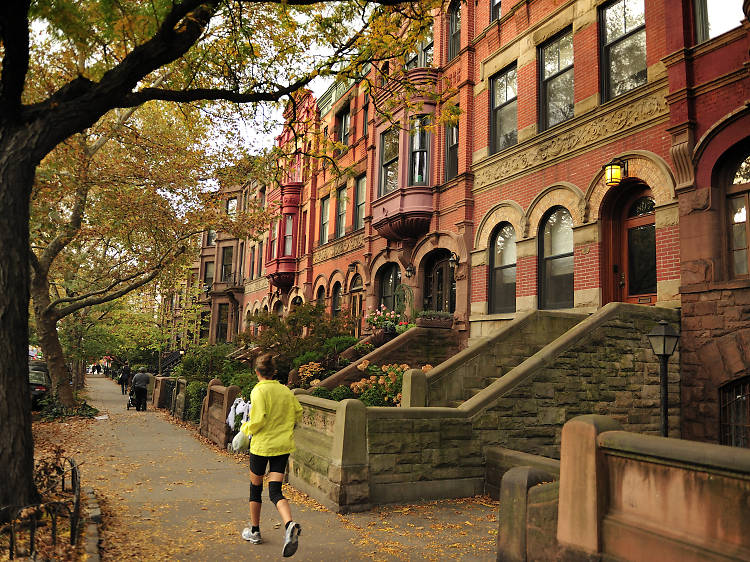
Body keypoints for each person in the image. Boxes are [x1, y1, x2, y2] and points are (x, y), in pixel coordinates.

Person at [239, 353, 303, 557]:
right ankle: (289, 524)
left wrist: (244, 428)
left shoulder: (259, 391)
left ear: (257, 372)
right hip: (282, 447)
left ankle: (255, 531)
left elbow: (257, 421)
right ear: (274, 372)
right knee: (275, 491)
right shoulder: (286, 391)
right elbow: (298, 413)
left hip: (261, 447)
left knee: (255, 488)